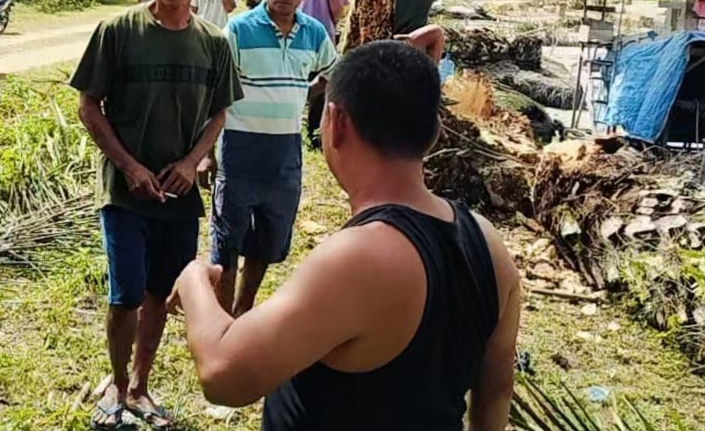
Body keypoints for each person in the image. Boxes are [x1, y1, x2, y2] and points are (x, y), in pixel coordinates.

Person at [170, 41, 521, 431]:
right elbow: (495, 391)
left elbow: (223, 375)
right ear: (434, 133)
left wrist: (192, 279)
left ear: (336, 122)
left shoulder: (362, 257)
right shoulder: (487, 243)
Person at [71, 0, 242, 430]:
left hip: (179, 196)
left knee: (159, 294)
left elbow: (219, 113)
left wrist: (192, 163)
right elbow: (88, 105)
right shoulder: (118, 32)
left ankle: (141, 386)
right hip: (125, 193)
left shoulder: (212, 43)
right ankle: (118, 389)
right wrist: (129, 166)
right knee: (124, 294)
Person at [214, 0, 337, 317]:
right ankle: (222, 325)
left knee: (267, 241)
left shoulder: (314, 33)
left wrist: (301, 92)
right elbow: (217, 87)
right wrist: (206, 153)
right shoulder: (238, 30)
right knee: (227, 242)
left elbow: (333, 72)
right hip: (240, 149)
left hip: (286, 155)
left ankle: (242, 311)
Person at [300, 0, 349, 149]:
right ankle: (313, 132)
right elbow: (337, 7)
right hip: (321, 35)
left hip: (293, 31)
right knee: (321, 83)